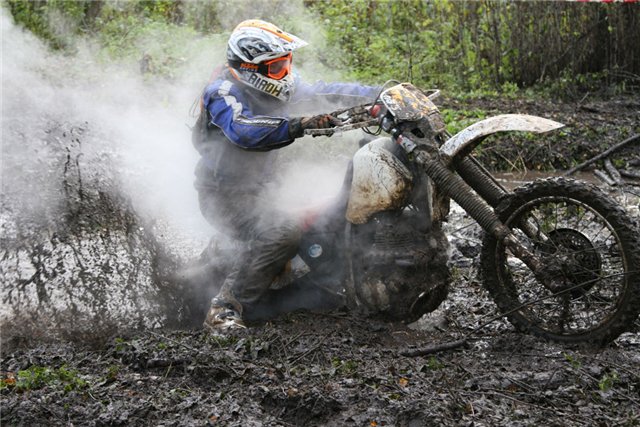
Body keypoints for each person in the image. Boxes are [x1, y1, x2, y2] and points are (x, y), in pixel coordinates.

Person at [192, 19, 379, 330]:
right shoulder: (222, 92)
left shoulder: (275, 88)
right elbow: (242, 130)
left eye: (286, 64)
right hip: (224, 196)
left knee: (333, 205)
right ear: (252, 67)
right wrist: (300, 124)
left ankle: (323, 284)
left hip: (263, 188)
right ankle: (225, 307)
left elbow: (326, 92)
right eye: (277, 67)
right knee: (281, 230)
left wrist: (380, 96)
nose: (286, 74)